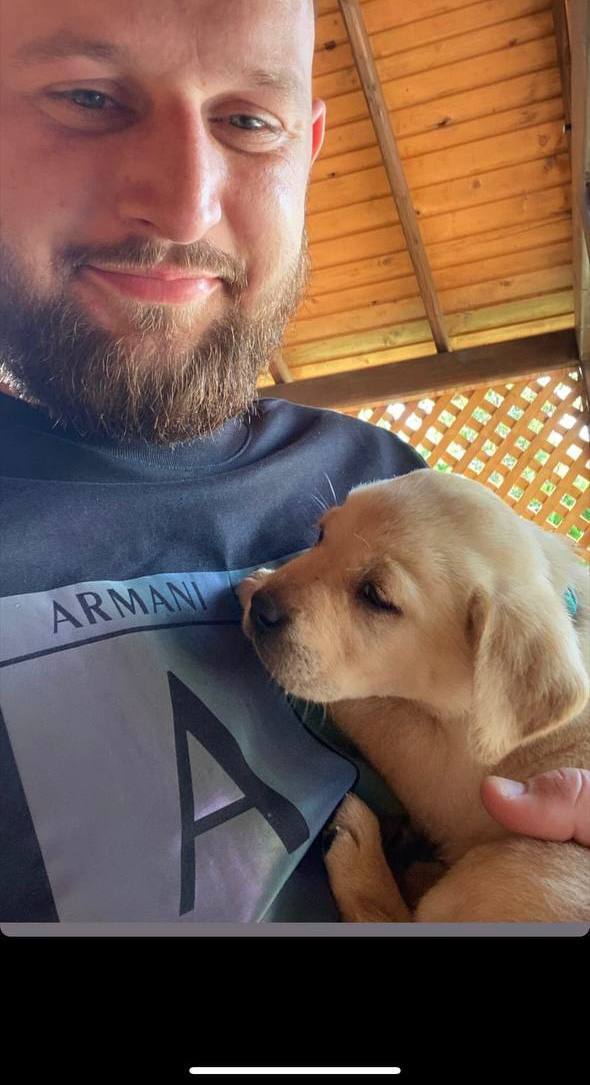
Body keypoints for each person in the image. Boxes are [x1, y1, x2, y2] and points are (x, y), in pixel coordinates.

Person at [0, 0, 586, 923]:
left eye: (247, 119)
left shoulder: (380, 468)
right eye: (87, 96)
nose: (183, 204)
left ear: (307, 149)